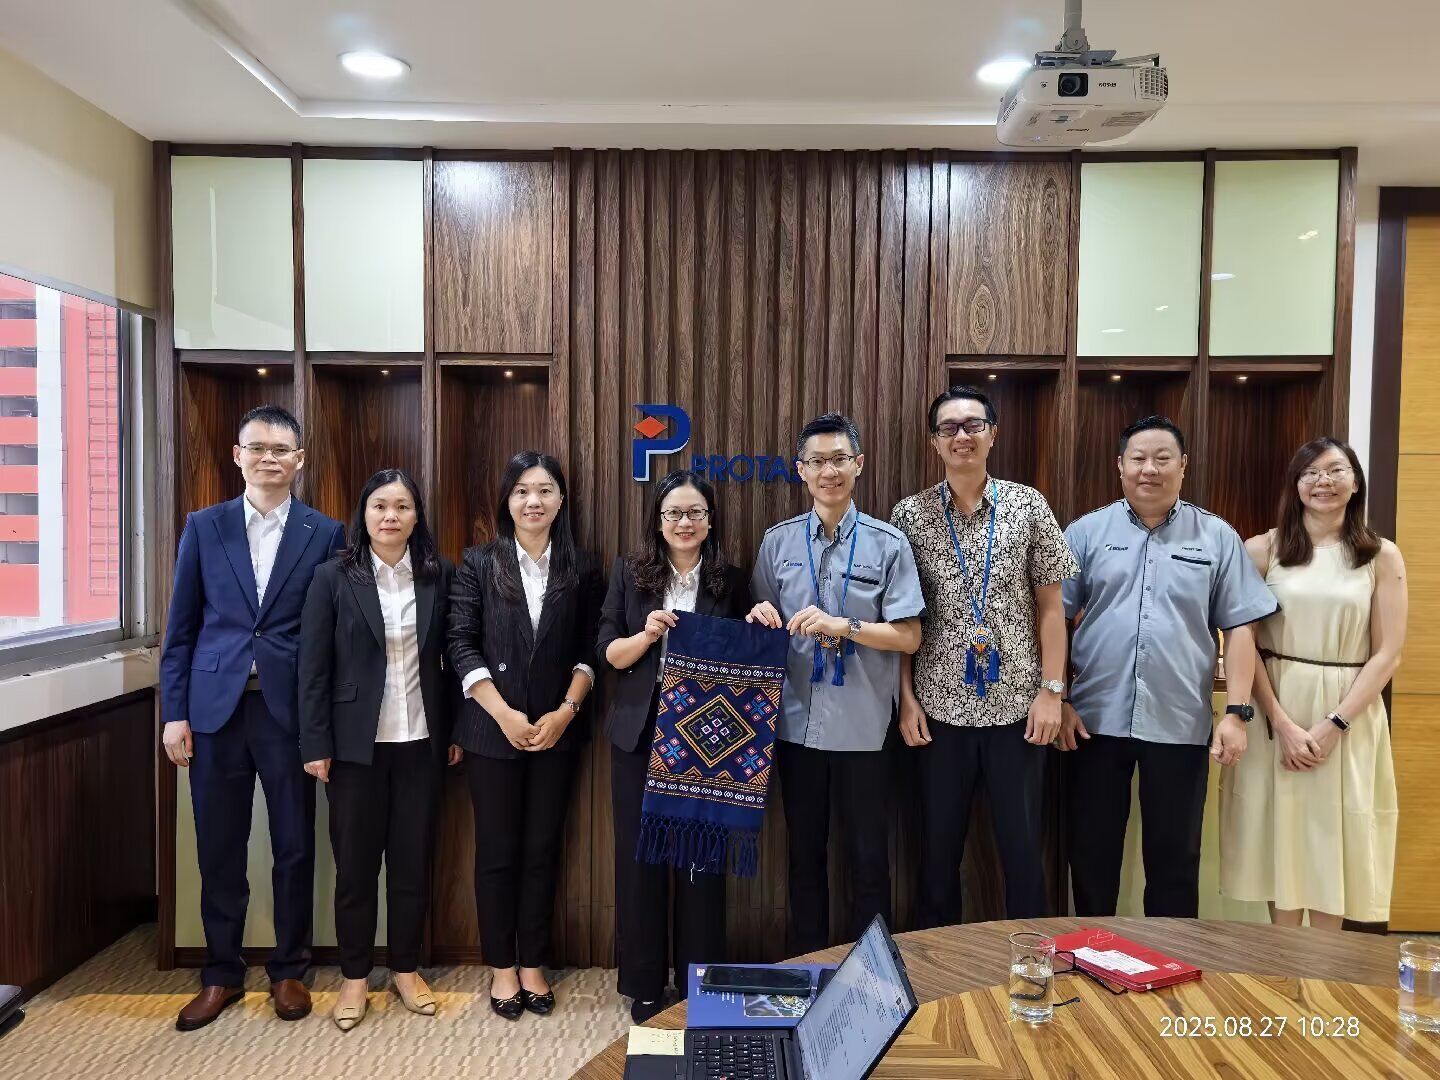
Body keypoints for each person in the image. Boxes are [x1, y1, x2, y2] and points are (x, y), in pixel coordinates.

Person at [159, 404, 346, 1031]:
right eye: (258, 447)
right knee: (219, 845)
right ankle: (220, 972)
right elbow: (181, 629)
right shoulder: (204, 526)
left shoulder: (326, 533)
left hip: (289, 711)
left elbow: (333, 636)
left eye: (281, 449)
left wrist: (325, 722)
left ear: (299, 459)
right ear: (237, 455)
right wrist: (174, 713)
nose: (270, 458)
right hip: (214, 710)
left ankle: (289, 969)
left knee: (294, 844)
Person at [1060, 415, 1278, 918]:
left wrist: (1237, 712)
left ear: (1183, 465)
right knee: (1091, 854)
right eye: (1138, 458)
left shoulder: (1216, 536)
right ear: (1119, 465)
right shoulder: (1086, 532)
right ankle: (1093, 952)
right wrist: (1060, 697)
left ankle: (1169, 960)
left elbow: (1241, 627)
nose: (1149, 469)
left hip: (1179, 720)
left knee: (1175, 861)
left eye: (1163, 459)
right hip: (1093, 721)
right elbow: (1052, 618)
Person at [890, 387, 1077, 928]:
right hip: (938, 711)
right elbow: (903, 619)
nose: (962, 436)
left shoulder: (1027, 506)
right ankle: (937, 963)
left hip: (1020, 711)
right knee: (937, 855)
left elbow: (1052, 609)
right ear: (934, 442)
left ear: (993, 434)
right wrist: (906, 699)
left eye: (973, 425)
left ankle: (1030, 961)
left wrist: (1052, 692)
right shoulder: (910, 515)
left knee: (1023, 852)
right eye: (949, 428)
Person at [747, 412, 924, 955]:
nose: (829, 471)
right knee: (804, 857)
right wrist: (758, 616)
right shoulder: (777, 543)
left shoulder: (888, 544)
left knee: (869, 858)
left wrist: (843, 625)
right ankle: (809, 967)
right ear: (801, 469)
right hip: (794, 726)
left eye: (840, 459)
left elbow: (909, 636)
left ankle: (872, 972)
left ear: (859, 465)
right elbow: (760, 622)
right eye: (817, 461)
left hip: (864, 728)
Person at [1220, 438, 1406, 929]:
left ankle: (1326, 964)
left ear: (1355, 481)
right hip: (1275, 707)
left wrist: (1334, 724)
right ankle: (1283, 961)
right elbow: (1244, 639)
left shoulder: (1380, 555)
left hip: (1349, 711)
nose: (1324, 481)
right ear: (1296, 483)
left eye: (1336, 470)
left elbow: (1388, 652)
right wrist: (1280, 722)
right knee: (1279, 832)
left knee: (1333, 834)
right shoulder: (1262, 550)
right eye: (1311, 472)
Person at [298, 469, 460, 1030]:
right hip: (353, 749)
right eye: (380, 506)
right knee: (355, 869)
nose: (391, 516)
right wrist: (316, 742)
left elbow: (452, 660)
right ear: (363, 514)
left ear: (417, 517)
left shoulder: (439, 575)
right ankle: (354, 977)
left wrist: (454, 732)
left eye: (402, 506)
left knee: (412, 865)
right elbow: (312, 667)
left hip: (420, 742)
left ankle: (406, 970)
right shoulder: (333, 576)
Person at [447, 451, 603, 1020]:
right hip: (492, 732)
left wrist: (565, 711)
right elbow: (460, 642)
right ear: (507, 501)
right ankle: (501, 967)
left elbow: (591, 648)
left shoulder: (583, 566)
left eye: (544, 490)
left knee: (542, 849)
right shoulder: (478, 562)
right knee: (496, 853)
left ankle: (533, 962)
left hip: (558, 731)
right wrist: (504, 715)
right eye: (521, 491)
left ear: (561, 500)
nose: (532, 501)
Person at [598, 470, 751, 1024]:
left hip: (706, 740)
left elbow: (747, 652)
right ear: (658, 521)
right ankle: (644, 983)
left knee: (699, 862)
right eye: (674, 513)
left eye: (695, 513)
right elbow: (608, 653)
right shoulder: (630, 573)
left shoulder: (730, 580)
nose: (684, 523)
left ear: (710, 521)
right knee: (640, 860)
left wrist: (758, 620)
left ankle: (696, 982)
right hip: (640, 734)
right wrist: (647, 634)